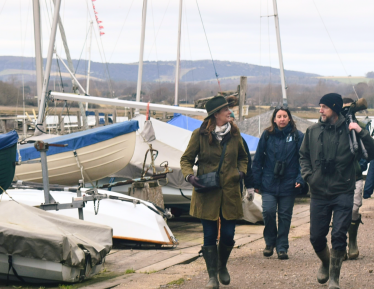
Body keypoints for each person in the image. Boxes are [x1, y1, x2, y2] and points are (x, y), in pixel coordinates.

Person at [299, 93, 374, 289]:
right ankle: (325, 262)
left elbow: (372, 152)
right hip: (318, 191)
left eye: (324, 106)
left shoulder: (351, 131)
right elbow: (303, 156)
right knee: (316, 237)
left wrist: (361, 131)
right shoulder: (313, 131)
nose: (320, 110)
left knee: (339, 235)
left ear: (335, 107)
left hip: (343, 190)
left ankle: (335, 279)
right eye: (320, 106)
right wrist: (309, 176)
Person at [180, 96, 248, 288]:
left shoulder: (235, 134)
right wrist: (189, 177)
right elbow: (186, 159)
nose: (230, 112)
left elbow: (243, 157)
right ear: (216, 114)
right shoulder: (199, 134)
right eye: (226, 109)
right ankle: (212, 277)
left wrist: (241, 172)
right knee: (209, 235)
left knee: (228, 234)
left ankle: (222, 265)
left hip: (230, 192)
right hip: (206, 192)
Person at [252, 106, 304, 260]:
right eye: (279, 116)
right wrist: (256, 182)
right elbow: (258, 160)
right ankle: (269, 242)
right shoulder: (267, 135)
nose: (282, 119)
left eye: (285, 116)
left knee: (284, 217)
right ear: (274, 119)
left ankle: (282, 247)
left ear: (289, 118)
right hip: (269, 182)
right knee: (268, 212)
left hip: (289, 182)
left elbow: (304, 160)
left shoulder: (297, 136)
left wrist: (300, 178)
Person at [341, 97, 367, 260]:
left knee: (354, 209)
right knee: (340, 211)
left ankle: (353, 241)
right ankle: (340, 245)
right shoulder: (334, 127)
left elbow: (367, 149)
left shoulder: (361, 127)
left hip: (356, 175)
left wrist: (360, 165)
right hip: (338, 177)